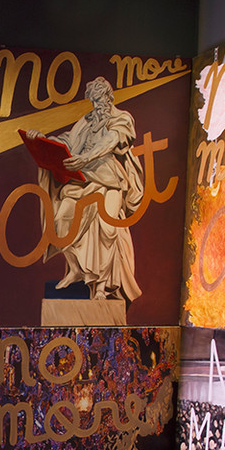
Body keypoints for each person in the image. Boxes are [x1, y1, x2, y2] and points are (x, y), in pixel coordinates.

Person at [31, 77, 145, 302]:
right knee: (62, 217)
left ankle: (101, 286)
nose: (96, 105)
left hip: (110, 181)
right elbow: (68, 142)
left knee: (106, 229)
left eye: (99, 99)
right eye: (93, 101)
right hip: (83, 181)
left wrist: (86, 158)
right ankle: (76, 269)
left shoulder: (122, 118)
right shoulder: (87, 121)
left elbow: (111, 140)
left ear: (108, 97)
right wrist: (44, 141)